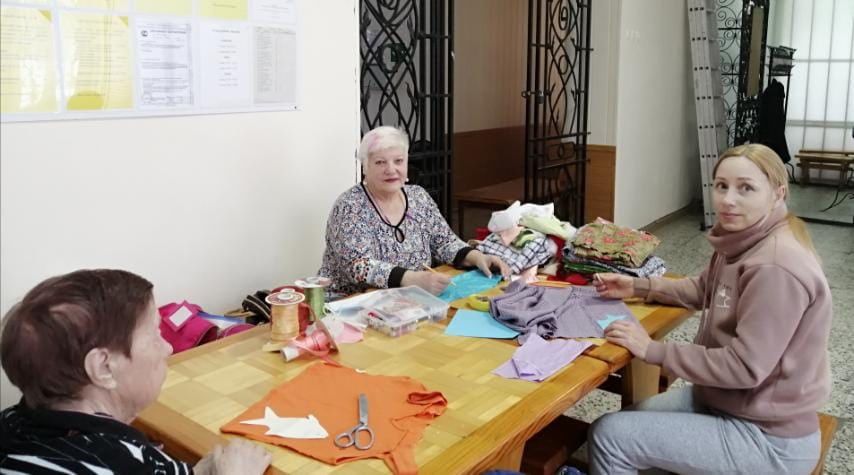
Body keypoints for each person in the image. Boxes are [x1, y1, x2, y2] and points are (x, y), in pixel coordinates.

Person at [588, 144, 831, 474]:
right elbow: (704, 289)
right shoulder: (744, 238)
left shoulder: (774, 267)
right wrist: (638, 286)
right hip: (726, 401)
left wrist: (653, 349)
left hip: (768, 437)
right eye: (721, 186)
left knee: (610, 437)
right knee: (624, 423)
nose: (728, 200)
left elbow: (744, 367)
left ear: (778, 193)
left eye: (746, 188)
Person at [0, 269, 272, 474]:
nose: (168, 348)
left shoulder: (12, 425)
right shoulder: (117, 462)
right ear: (104, 367)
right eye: (154, 335)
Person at [319, 126, 510, 297]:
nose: (391, 169)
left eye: (398, 161)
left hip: (410, 300)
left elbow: (444, 241)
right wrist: (411, 279)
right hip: (350, 303)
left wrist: (478, 257)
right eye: (380, 162)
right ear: (365, 167)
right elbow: (358, 266)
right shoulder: (350, 206)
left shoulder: (418, 197)